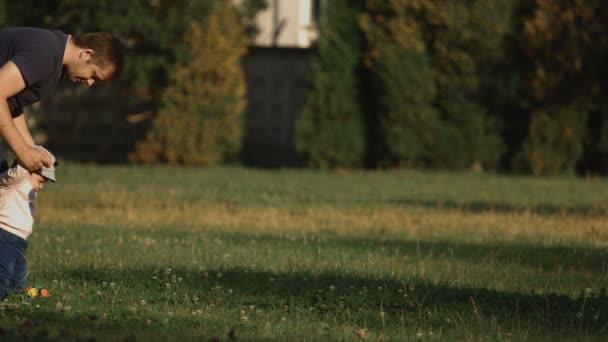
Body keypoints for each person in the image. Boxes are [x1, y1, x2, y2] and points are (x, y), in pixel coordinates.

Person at [0, 27, 124, 172]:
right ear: (86, 53)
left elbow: (10, 105)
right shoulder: (45, 55)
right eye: (94, 75)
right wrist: (23, 152)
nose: (90, 82)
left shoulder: (57, 63)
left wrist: (33, 155)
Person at [0, 145, 56, 300]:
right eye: (40, 180)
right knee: (3, 275)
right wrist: (29, 156)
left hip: (19, 241)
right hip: (5, 236)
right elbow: (21, 168)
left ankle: (15, 300)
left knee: (19, 276)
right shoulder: (16, 180)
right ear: (30, 169)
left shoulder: (30, 192)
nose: (42, 185)